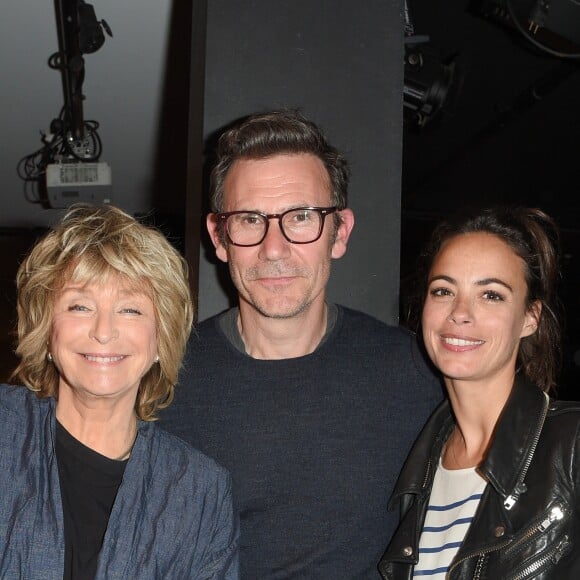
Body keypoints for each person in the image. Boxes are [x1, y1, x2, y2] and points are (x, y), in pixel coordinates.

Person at [158, 109, 443, 578]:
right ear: (219, 236)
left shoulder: (416, 375)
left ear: (340, 232)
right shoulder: (162, 382)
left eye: (302, 216)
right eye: (250, 219)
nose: (274, 248)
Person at [1, 204, 239, 579]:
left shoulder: (200, 491)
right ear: (47, 330)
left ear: (161, 339)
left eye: (130, 309)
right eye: (80, 305)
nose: (103, 331)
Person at [379, 206, 580, 579]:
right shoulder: (417, 467)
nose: (460, 312)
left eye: (491, 295)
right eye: (443, 290)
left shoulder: (570, 446)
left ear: (530, 317)